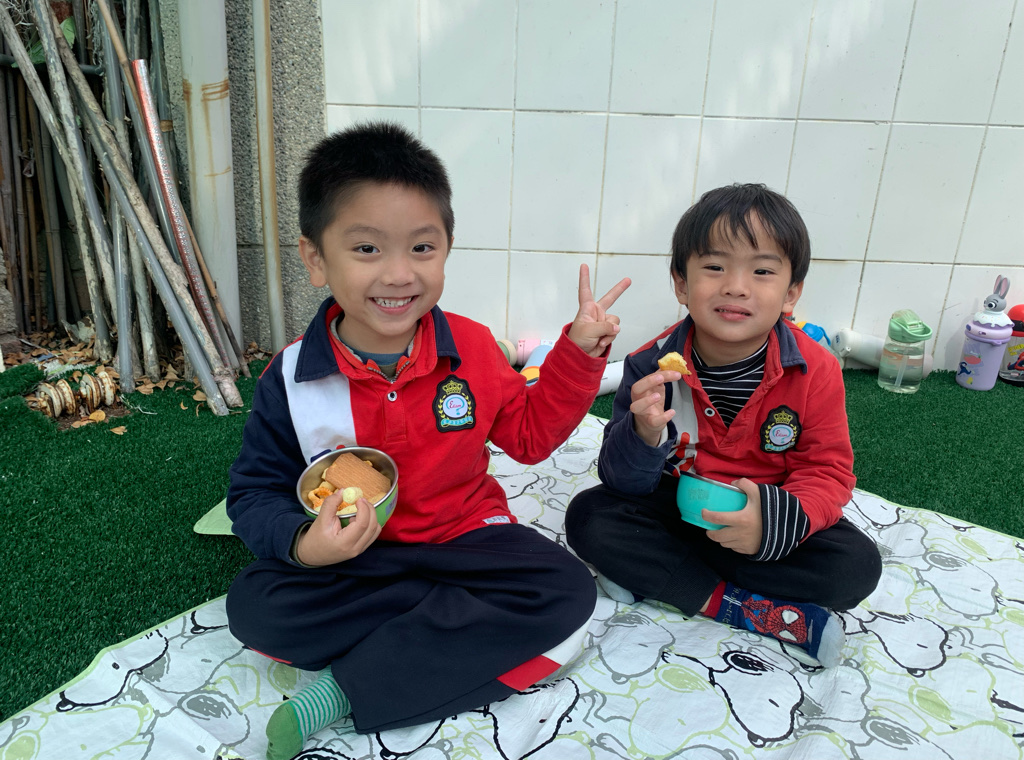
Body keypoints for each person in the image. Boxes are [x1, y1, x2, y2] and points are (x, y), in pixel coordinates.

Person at [225, 121, 630, 759]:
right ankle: (454, 623)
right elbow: (254, 493)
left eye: (421, 248)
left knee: (567, 588)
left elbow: (529, 437)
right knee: (255, 608)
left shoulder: (472, 347)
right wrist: (306, 544)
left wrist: (577, 356)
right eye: (366, 249)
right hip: (357, 559)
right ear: (315, 259)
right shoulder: (293, 375)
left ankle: (340, 692)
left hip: (467, 540)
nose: (398, 274)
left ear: (446, 250)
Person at [565, 183, 882, 668]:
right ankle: (742, 607)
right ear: (681, 283)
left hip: (765, 520)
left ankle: (669, 578)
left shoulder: (814, 369)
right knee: (590, 517)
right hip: (675, 509)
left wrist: (770, 527)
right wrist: (643, 435)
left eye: (762, 271)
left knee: (855, 566)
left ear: (791, 292)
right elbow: (621, 481)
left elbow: (827, 471)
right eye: (714, 267)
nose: (736, 286)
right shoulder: (650, 365)